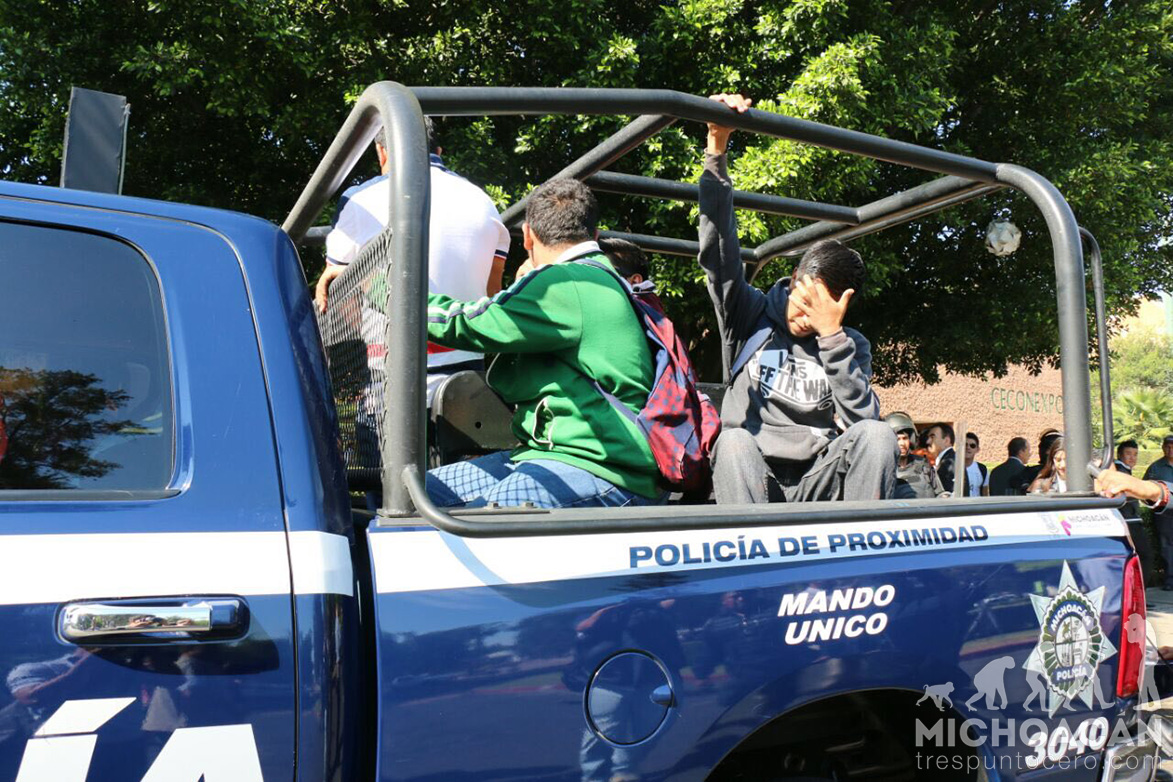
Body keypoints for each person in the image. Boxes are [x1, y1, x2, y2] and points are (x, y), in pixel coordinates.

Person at [697, 93, 896, 504]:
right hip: (753, 472)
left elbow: (862, 421)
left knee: (878, 435)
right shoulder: (749, 313)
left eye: (821, 309)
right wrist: (716, 148)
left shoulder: (850, 345)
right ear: (793, 280)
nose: (807, 317)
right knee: (733, 441)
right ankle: (749, 545)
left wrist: (831, 337)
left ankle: (859, 542)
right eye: (805, 302)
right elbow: (719, 252)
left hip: (817, 478)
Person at [422, 178, 663, 509]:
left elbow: (467, 322)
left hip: (604, 466)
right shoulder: (600, 278)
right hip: (549, 454)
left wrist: (390, 291)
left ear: (527, 236)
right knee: (420, 494)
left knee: (476, 522)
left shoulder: (564, 281)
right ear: (594, 235)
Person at [315, 120, 510, 405]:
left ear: (382, 151)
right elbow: (493, 293)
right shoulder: (484, 201)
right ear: (438, 152)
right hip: (468, 381)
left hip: (386, 379)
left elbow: (338, 297)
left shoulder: (360, 201)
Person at [1115, 438, 1157, 585]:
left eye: (1135, 454)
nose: (1132, 457)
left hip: (1130, 520)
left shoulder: (1124, 470)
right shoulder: (1119, 471)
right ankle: (1139, 593)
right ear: (1119, 455)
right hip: (1128, 522)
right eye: (1128, 454)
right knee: (1145, 556)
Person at [885, 412, 945, 499]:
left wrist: (945, 497)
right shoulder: (884, 469)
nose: (902, 443)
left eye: (905, 438)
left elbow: (940, 493)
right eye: (897, 439)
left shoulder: (923, 465)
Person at [1143, 435, 1173, 590]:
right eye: (1167, 446)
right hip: (1164, 515)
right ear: (1163, 448)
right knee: (1167, 546)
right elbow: (1144, 489)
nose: (1170, 450)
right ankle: (1170, 580)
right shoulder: (1155, 467)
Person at [924, 423, 958, 494]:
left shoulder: (949, 463)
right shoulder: (950, 460)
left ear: (946, 441)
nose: (928, 441)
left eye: (932, 437)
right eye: (928, 438)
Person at [963, 432, 990, 497]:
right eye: (965, 444)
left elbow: (985, 494)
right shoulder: (952, 468)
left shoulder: (982, 469)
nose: (968, 447)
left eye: (972, 445)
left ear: (977, 449)